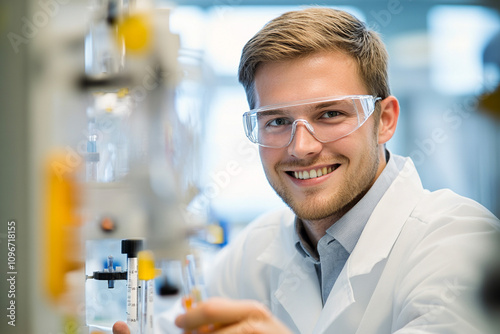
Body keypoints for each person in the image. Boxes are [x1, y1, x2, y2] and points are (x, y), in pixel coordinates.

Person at [114, 7, 500, 334]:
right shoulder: (256, 250)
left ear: (384, 120)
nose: (301, 147)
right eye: (277, 121)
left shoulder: (460, 245)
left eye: (330, 114)